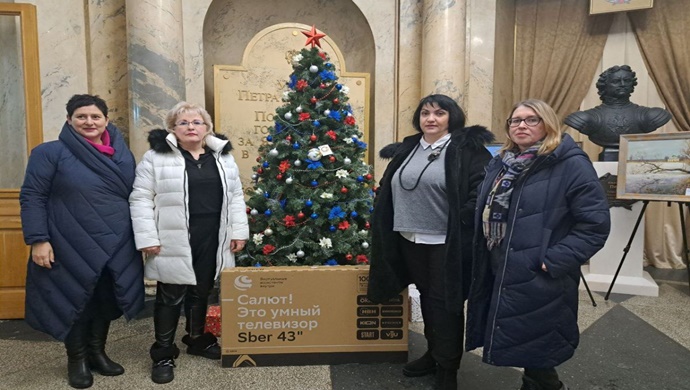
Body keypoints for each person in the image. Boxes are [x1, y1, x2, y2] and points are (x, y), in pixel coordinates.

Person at [465, 99, 611, 390]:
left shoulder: (569, 164)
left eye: (531, 120)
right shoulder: (501, 162)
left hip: (540, 267)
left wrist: (554, 260)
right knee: (521, 328)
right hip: (500, 259)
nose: (521, 125)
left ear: (548, 124)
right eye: (515, 120)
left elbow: (595, 225)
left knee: (540, 336)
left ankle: (545, 385)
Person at [367, 94, 494, 389]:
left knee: (446, 303)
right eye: (425, 113)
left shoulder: (466, 150)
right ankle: (433, 354)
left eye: (439, 113)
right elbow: (390, 184)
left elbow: (482, 190)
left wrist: (462, 219)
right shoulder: (409, 147)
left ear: (452, 117)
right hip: (408, 237)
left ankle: (448, 367)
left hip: (445, 242)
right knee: (426, 297)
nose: (431, 119)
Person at [20, 94, 145, 389]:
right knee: (75, 298)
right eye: (81, 116)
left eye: (95, 116)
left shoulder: (122, 154)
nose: (89, 121)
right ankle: (76, 358)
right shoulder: (48, 153)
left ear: (106, 121)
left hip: (117, 242)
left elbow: (135, 195)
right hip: (68, 241)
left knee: (105, 298)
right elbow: (32, 197)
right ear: (69, 120)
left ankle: (98, 352)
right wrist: (38, 239)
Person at [129, 102, 249, 384]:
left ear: (206, 128)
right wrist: (147, 237)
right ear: (173, 128)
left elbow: (235, 196)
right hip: (172, 236)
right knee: (170, 296)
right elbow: (141, 198)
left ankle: (197, 339)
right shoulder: (156, 157)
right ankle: (163, 353)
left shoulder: (222, 157)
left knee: (202, 290)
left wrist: (238, 232)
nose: (191, 127)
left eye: (197, 122)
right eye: (183, 123)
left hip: (213, 234)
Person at [564, 65, 671, 160]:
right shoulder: (587, 118)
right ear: (604, 85)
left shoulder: (649, 115)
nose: (622, 84)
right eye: (616, 81)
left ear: (632, 84)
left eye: (627, 80)